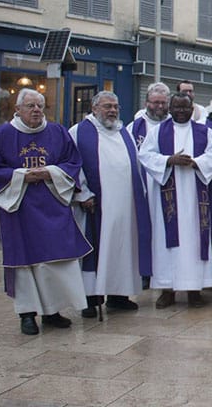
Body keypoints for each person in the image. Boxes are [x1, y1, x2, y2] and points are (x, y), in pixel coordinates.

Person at [0, 89, 88, 335]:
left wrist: (50, 172)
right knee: (25, 263)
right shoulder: (2, 135)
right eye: (30, 105)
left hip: (52, 205)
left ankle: (53, 311)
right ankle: (27, 314)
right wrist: (21, 176)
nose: (37, 110)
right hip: (19, 208)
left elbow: (73, 162)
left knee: (56, 261)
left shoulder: (57, 132)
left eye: (40, 105)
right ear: (17, 109)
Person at [69, 91, 151, 318]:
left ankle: (118, 295)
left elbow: (135, 165)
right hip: (95, 205)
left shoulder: (124, 132)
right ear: (94, 109)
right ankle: (90, 298)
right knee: (96, 249)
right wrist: (82, 193)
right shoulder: (79, 132)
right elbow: (72, 165)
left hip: (125, 205)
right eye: (107, 106)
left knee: (122, 248)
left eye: (115, 106)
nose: (112, 111)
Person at [138, 93, 212, 309]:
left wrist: (197, 163)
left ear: (192, 108)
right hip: (168, 198)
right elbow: (145, 155)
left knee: (195, 241)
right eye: (177, 107)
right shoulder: (158, 131)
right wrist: (169, 160)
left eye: (185, 107)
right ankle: (167, 290)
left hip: (196, 198)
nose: (181, 111)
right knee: (167, 242)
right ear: (170, 108)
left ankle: (195, 290)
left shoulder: (203, 131)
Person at [132, 82, 170, 147]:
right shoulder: (134, 127)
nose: (160, 106)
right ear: (146, 103)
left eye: (163, 103)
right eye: (156, 102)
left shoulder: (174, 124)